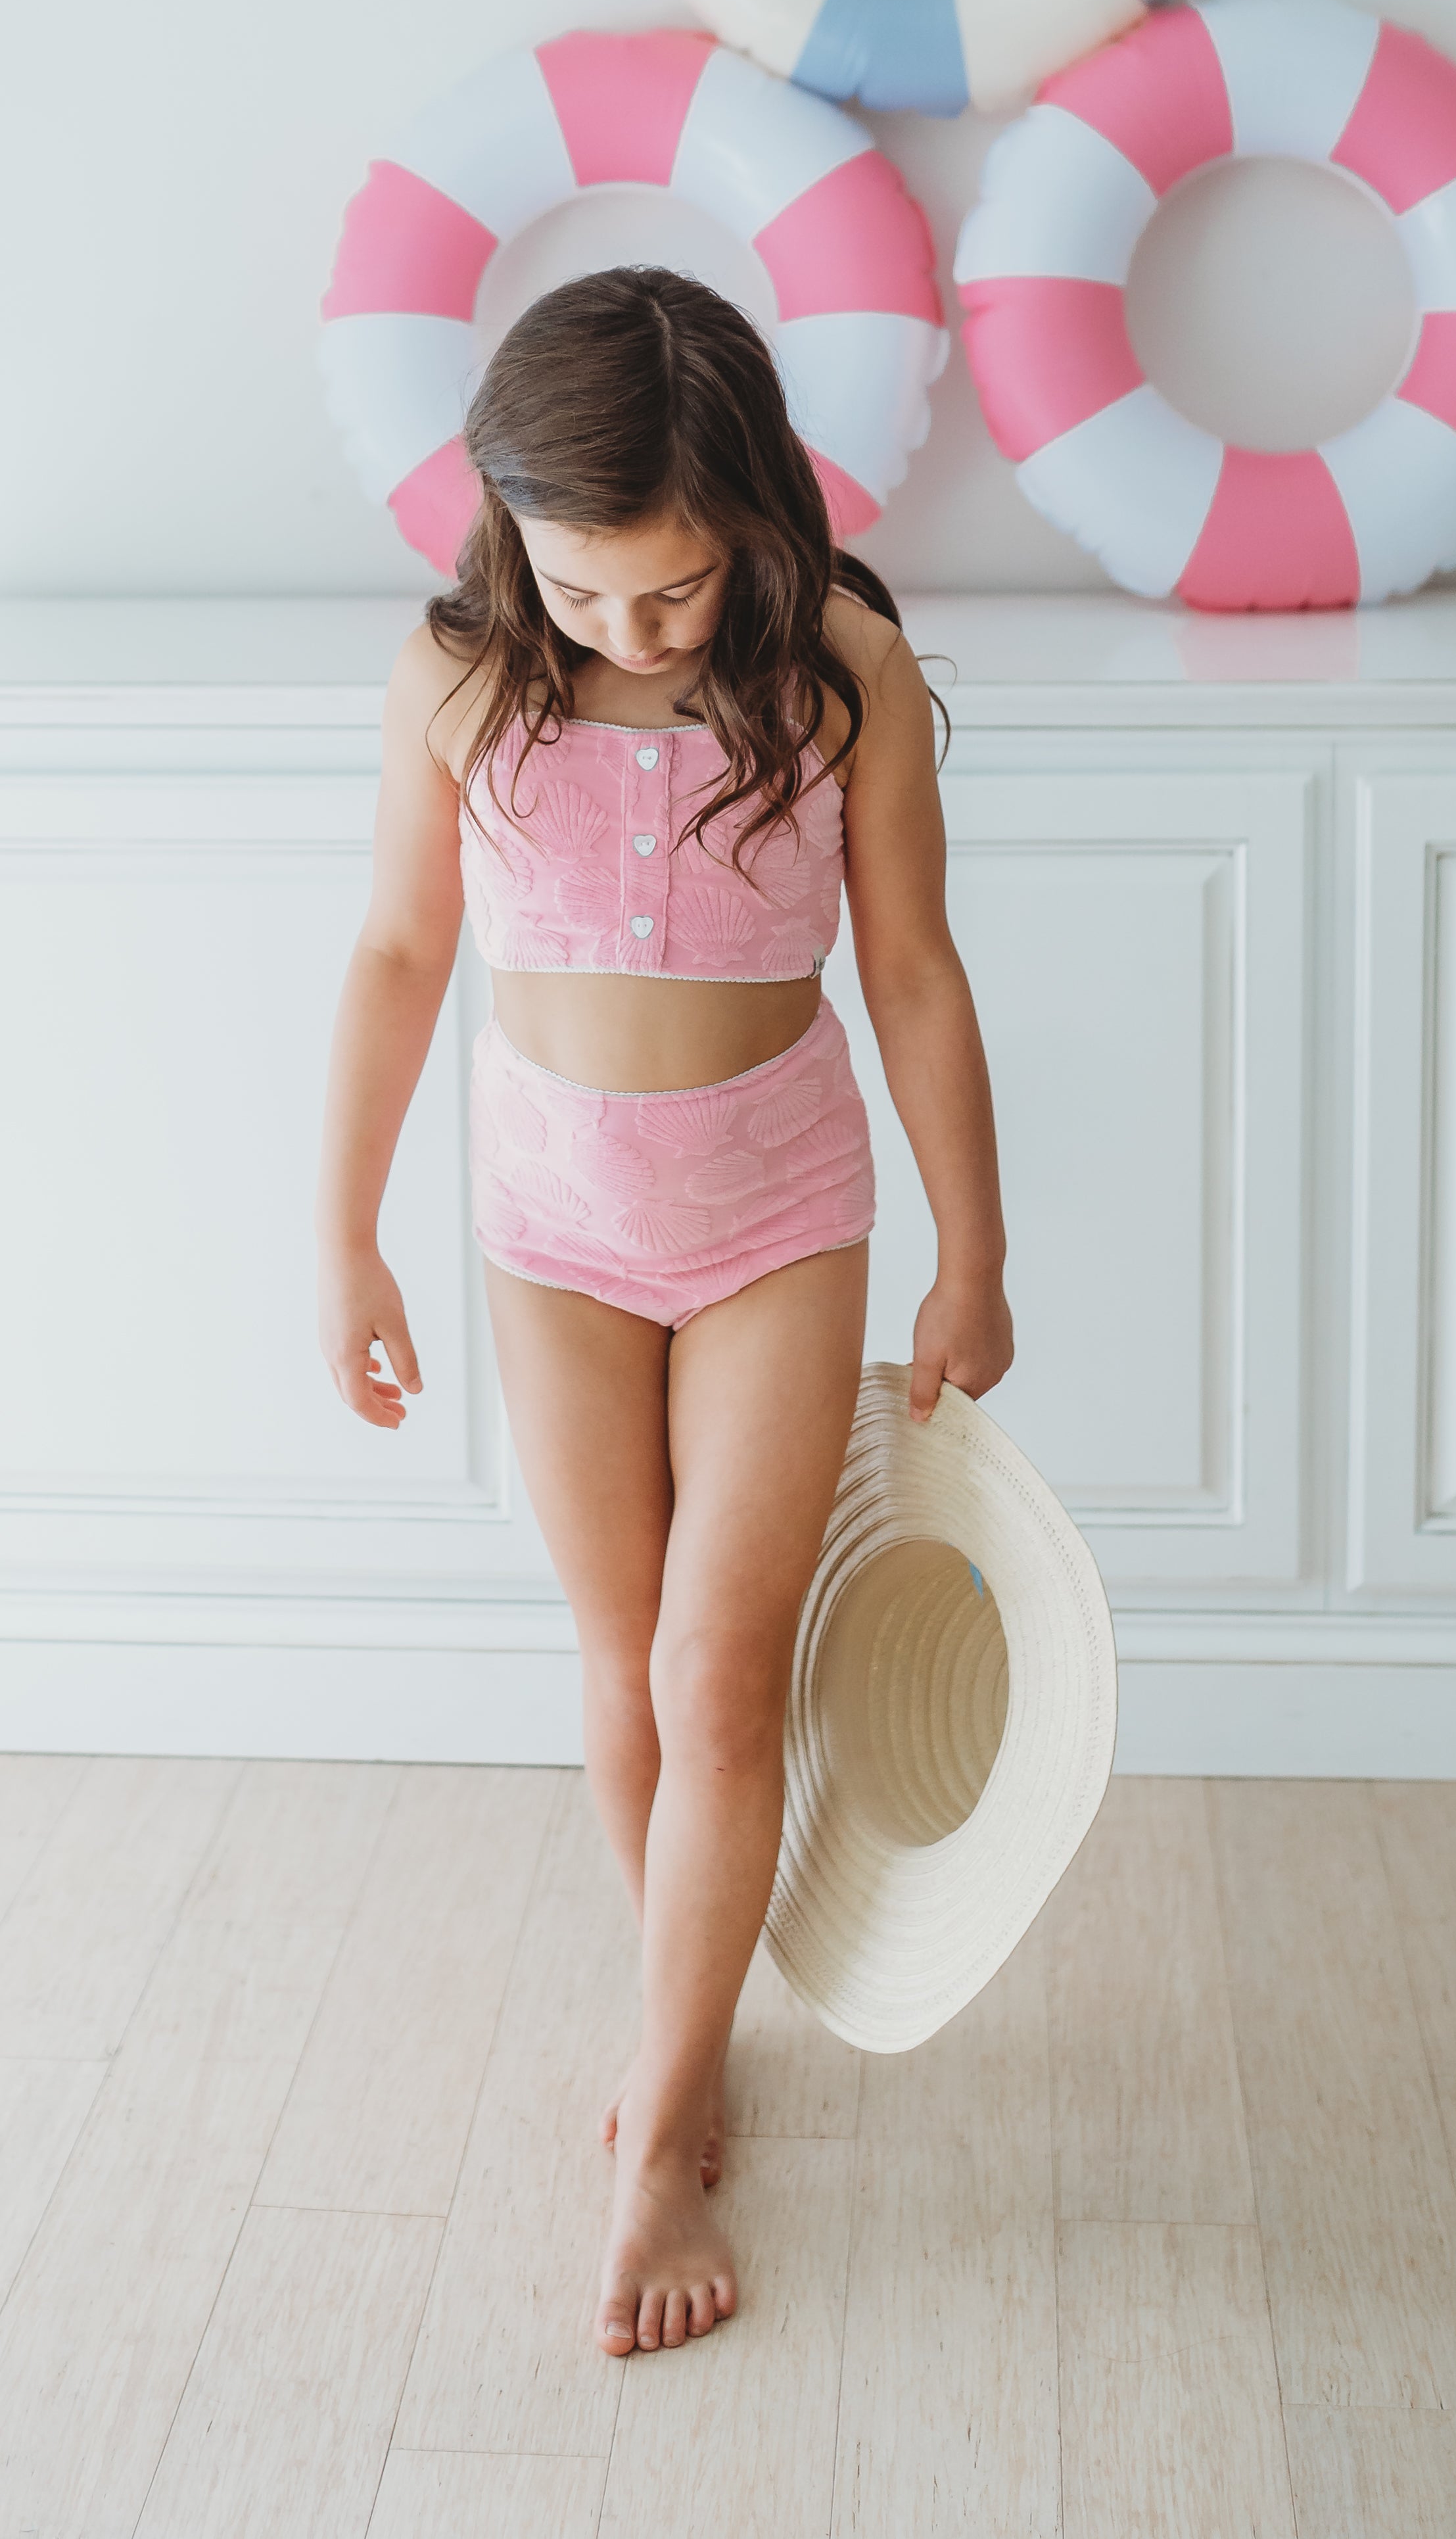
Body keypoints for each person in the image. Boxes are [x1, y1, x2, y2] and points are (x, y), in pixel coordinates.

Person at [314, 265, 1012, 2356]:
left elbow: (913, 971)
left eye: (680, 586)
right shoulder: (459, 680)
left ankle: (656, 2151)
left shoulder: (843, 673)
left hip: (775, 1219)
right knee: (622, 1662)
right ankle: (682, 2029)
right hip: (552, 1234)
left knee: (722, 1674)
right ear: (511, 531)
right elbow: (396, 957)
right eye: (584, 586)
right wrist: (344, 1234)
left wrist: (974, 1247)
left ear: (760, 515)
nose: (632, 627)